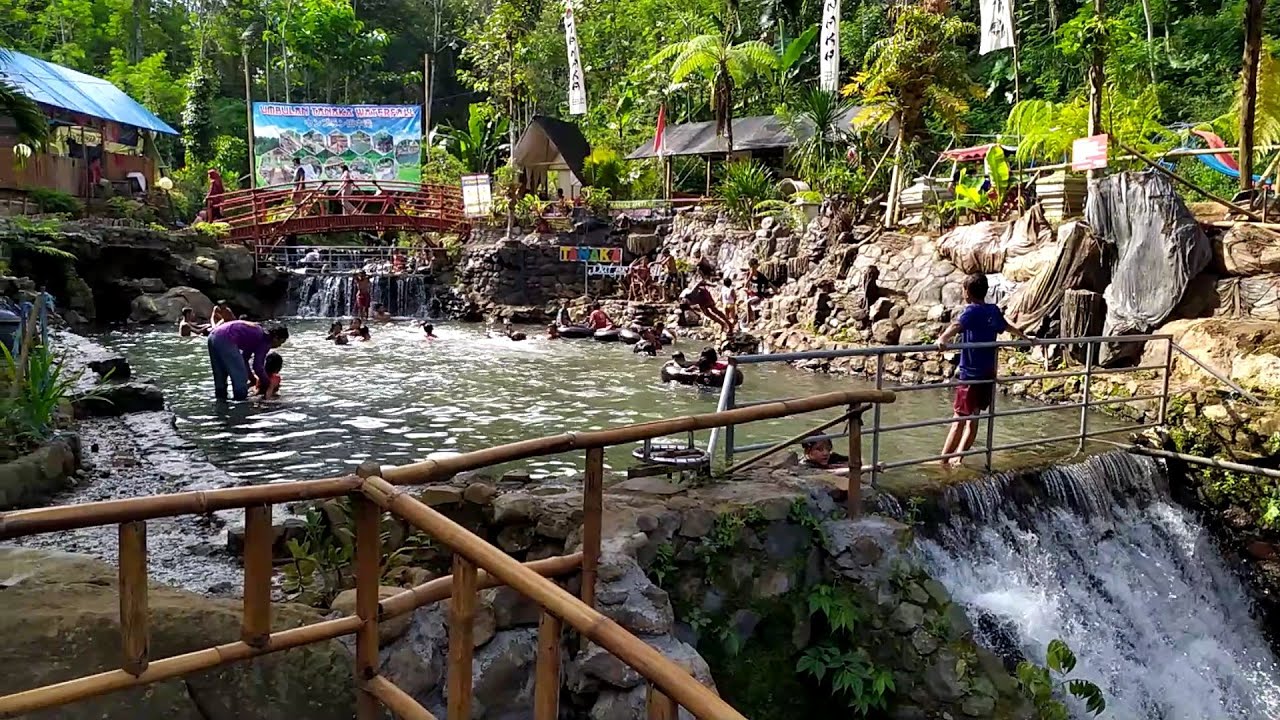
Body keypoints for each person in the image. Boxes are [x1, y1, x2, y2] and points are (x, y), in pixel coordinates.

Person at [936, 273, 1031, 468]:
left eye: (964, 289)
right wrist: (1026, 337)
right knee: (973, 421)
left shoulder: (971, 311)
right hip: (987, 374)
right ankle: (958, 459)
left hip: (970, 375)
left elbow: (956, 325)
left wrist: (943, 338)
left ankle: (943, 461)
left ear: (967, 293)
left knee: (959, 420)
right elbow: (1007, 327)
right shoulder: (993, 311)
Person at [206, 320, 289, 401]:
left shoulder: (256, 334)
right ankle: (241, 407)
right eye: (281, 342)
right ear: (275, 338)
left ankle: (221, 404)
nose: (279, 346)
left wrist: (253, 379)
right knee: (241, 379)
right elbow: (258, 367)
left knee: (220, 377)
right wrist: (267, 383)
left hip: (213, 336)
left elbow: (245, 359)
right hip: (226, 338)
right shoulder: (265, 340)